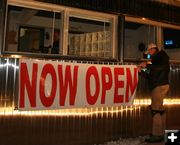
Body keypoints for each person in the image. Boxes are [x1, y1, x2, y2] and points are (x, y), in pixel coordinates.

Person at [138, 43, 170, 143]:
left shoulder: (161, 56)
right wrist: (143, 69)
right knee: (160, 109)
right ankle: (161, 132)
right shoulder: (158, 58)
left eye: (150, 51)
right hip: (160, 84)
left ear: (154, 49)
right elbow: (151, 73)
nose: (149, 54)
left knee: (155, 109)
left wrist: (145, 65)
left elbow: (156, 69)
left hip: (158, 85)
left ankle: (157, 134)